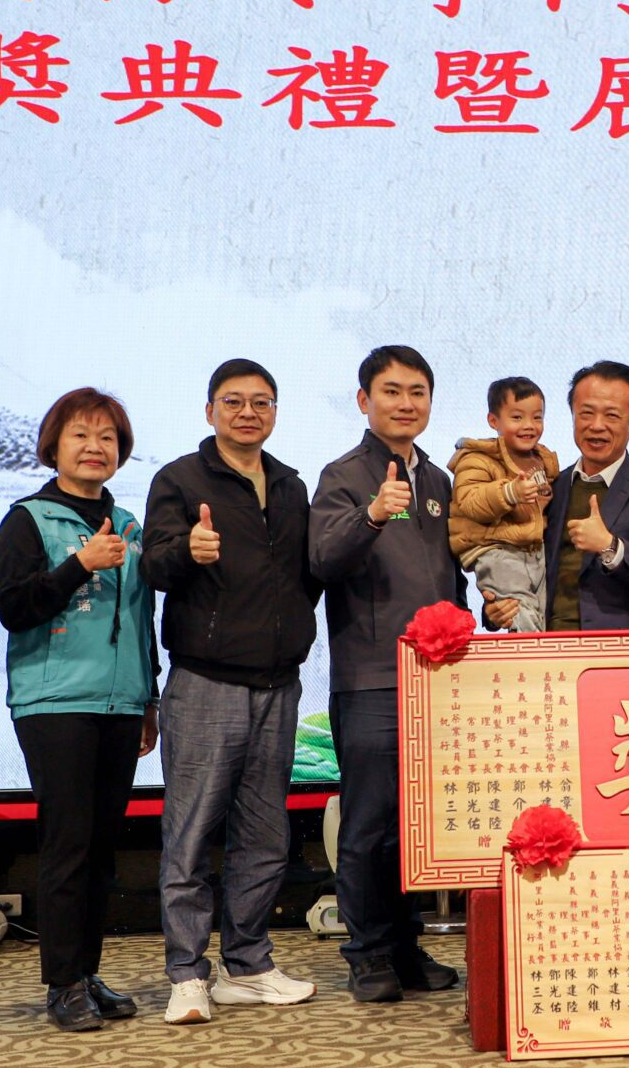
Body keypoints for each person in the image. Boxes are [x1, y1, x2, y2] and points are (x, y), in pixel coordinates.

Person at [143, 359, 321, 1024]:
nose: (249, 413)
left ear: (275, 411)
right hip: (205, 683)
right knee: (190, 835)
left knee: (265, 835)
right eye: (234, 401)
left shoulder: (291, 485)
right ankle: (188, 973)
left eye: (261, 402)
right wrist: (187, 549)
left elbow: (306, 576)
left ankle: (247, 965)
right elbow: (154, 565)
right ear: (210, 410)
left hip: (279, 682)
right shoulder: (180, 479)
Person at [0, 388, 158, 1031]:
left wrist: (149, 699)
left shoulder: (131, 525)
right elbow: (15, 608)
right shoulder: (28, 520)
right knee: (67, 843)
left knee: (102, 848)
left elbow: (141, 620)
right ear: (54, 446)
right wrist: (79, 565)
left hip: (122, 702)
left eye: (107, 438)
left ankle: (87, 972)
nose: (95, 448)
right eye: (81, 435)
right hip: (55, 701)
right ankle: (62, 983)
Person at [312, 345, 466, 1003]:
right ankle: (367, 951)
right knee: (369, 822)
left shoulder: (439, 481)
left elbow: (450, 574)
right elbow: (322, 559)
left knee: (416, 824)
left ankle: (404, 945)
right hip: (372, 675)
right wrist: (373, 513)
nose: (406, 403)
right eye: (392, 391)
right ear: (363, 400)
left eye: (417, 392)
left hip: (436, 677)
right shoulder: (343, 475)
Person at [531, 360, 629, 633]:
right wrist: (498, 606)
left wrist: (610, 546)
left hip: (616, 650)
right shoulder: (551, 488)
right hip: (544, 645)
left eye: (612, 415)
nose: (597, 425)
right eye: (586, 413)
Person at [448, 377, 560, 631]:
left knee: (543, 614)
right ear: (493, 421)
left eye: (537, 417)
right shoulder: (477, 458)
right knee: (520, 611)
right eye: (517, 417)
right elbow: (469, 501)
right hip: (497, 549)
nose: (529, 425)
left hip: (534, 551)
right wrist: (510, 493)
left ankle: (541, 651)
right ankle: (531, 656)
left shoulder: (543, 460)